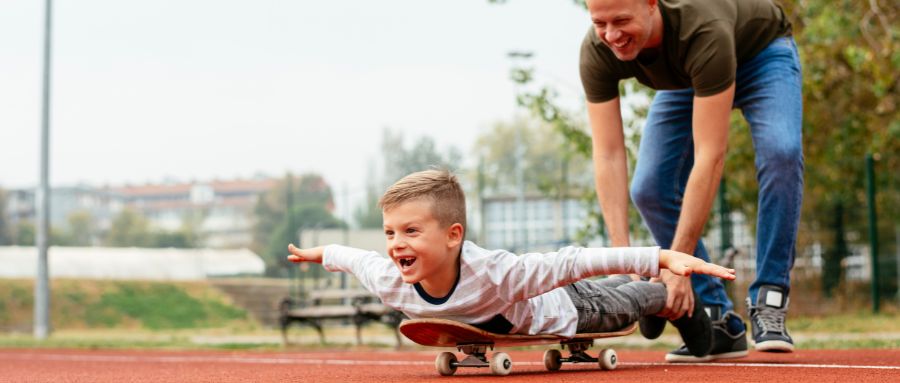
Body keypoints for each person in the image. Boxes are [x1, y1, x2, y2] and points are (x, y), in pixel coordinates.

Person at [288, 169, 737, 358]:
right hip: (530, 307)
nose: (395, 244)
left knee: (628, 300)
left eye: (410, 232)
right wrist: (318, 254)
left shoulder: (498, 273)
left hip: (569, 308)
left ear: (453, 236)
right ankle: (653, 304)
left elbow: (574, 263)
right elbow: (350, 257)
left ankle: (667, 299)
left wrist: (662, 257)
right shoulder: (390, 277)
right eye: (390, 233)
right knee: (622, 293)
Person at [579, 0, 802, 362]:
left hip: (761, 55)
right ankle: (717, 317)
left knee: (782, 152)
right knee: (649, 187)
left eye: (621, 20)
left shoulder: (701, 29)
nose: (612, 34)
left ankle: (770, 294)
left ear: (652, 4)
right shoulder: (597, 50)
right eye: (600, 23)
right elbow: (608, 155)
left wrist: (679, 265)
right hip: (689, 74)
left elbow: (710, 156)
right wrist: (625, 260)